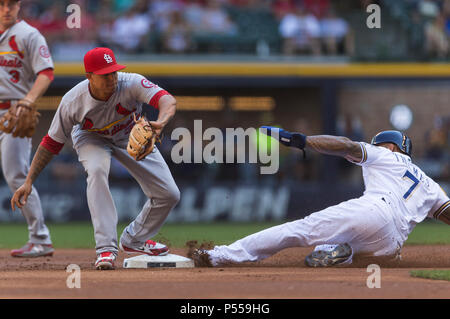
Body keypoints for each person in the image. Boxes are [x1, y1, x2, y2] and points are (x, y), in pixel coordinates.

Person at [11, 47, 180, 270]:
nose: (111, 78)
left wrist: (162, 121)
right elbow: (51, 143)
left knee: (169, 194)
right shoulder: (73, 100)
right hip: (90, 138)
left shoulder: (131, 83)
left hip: (129, 133)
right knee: (98, 170)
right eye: (105, 74)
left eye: (114, 72)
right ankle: (105, 250)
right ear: (89, 76)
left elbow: (167, 100)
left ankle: (134, 240)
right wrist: (29, 181)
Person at [189, 128, 450, 267]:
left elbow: (346, 145)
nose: (374, 147)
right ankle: (341, 252)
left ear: (392, 147)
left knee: (298, 230)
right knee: (360, 252)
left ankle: (218, 256)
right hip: (390, 245)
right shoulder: (429, 184)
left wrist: (303, 141)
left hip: (374, 211)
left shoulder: (385, 155)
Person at [0, 0, 54, 257]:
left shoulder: (29, 35)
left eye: (11, 3)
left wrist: (28, 100)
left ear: (19, 5)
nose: (6, 9)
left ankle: (40, 238)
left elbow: (46, 73)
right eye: (1, 4)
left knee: (16, 175)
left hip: (14, 111)